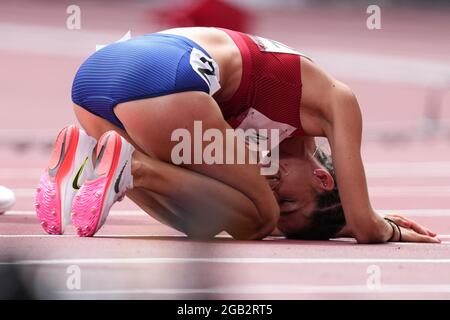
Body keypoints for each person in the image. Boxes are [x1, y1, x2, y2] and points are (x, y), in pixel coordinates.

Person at [36, 27, 440, 243]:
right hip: (162, 75)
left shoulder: (264, 145)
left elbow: (213, 201)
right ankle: (132, 166)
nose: (274, 190)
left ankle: (97, 156)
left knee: (208, 220)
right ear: (322, 176)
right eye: (289, 199)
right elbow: (368, 231)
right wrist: (371, 219)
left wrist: (343, 219)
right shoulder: (336, 101)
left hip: (95, 84)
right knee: (258, 221)